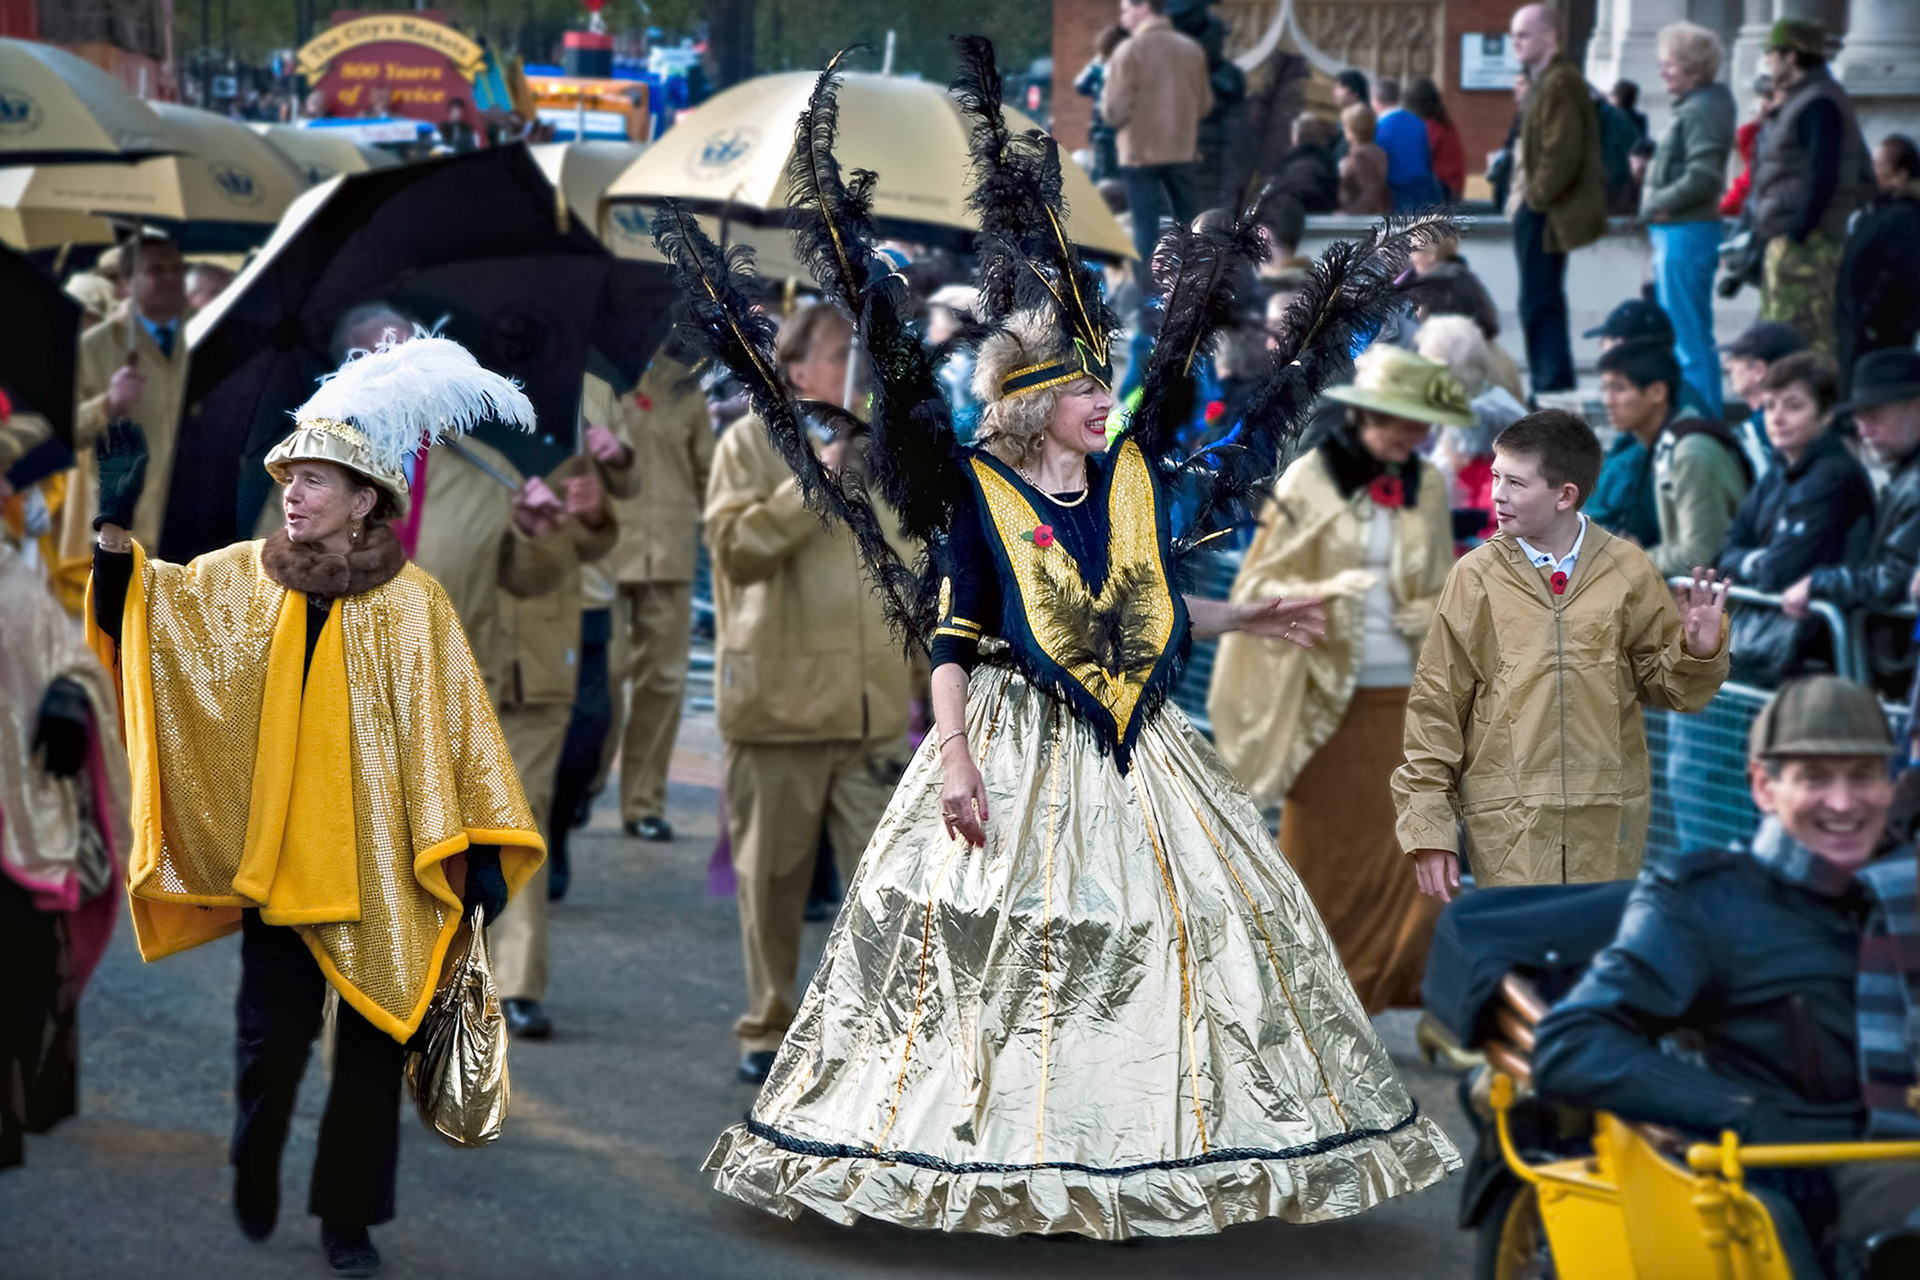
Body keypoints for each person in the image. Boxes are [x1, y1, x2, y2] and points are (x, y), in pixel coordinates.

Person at [677, 44, 1460, 1236]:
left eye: (1110, 388)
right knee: (1004, 944)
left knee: (1186, 923)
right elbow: (955, 634)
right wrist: (951, 759)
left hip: (1137, 741)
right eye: (1094, 390)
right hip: (1003, 732)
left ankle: (1145, 1143)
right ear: (1040, 399)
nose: (1113, 400)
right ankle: (984, 1148)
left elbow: (1139, 604)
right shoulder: (983, 493)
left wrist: (1246, 611)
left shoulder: (1128, 483)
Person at [84, 338, 545, 1276]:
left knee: (371, 1065)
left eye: (318, 480)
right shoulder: (243, 573)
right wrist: (113, 528)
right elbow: (153, 615)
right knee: (270, 1049)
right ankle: (255, 1162)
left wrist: (485, 853)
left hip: (386, 875)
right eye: (290, 476)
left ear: (367, 499)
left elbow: (459, 730)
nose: (294, 493)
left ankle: (349, 1220)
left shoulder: (417, 605)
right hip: (280, 871)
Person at [1534, 676, 1920, 1266]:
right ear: (1764, 786)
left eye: (1863, 775)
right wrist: (1745, 1114)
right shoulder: (1701, 902)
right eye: (1816, 778)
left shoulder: (1907, 888)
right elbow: (1572, 1045)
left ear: (1890, 786)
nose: (1844, 802)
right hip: (1800, 1172)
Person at [1209, 347, 1466, 1013]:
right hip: (1325, 698)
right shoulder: (1308, 481)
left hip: (1405, 698)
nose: (1411, 438)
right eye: (1398, 424)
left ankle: (1406, 987)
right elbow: (1260, 583)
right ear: (1365, 415)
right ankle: (1309, 994)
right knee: (1319, 851)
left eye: (1419, 426)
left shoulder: (1429, 485)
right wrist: (1325, 593)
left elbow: (1438, 585)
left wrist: (1429, 609)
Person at [1396, 409, 1730, 901]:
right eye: (1495, 477)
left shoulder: (1627, 569)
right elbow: (1436, 708)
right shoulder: (1475, 577)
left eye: (1515, 483)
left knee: (1595, 963)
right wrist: (1429, 828)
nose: (1497, 494)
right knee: (1525, 965)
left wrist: (1697, 652)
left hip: (1607, 820)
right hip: (1508, 825)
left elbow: (1667, 687)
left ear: (1565, 495)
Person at [704, 303, 913, 1085]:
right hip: (779, 705)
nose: (854, 362)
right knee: (772, 884)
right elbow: (737, 552)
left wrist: (936, 678)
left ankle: (865, 1029)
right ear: (796, 370)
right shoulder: (748, 444)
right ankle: (768, 1023)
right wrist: (814, 480)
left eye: (860, 348)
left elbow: (912, 571)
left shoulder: (889, 450)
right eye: (836, 352)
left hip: (873, 712)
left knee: (879, 885)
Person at [0, 527, 129, 1170]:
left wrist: (68, 704)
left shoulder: (11, 582)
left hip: (14, 824)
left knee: (23, 962)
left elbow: (75, 666)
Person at [605, 344, 715, 844]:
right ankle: (582, 783)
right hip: (598, 556)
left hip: (667, 555)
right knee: (599, 682)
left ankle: (643, 802)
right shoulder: (595, 379)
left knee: (662, 684)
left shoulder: (683, 387)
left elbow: (708, 475)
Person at [1716, 352, 1874, 680]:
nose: (1777, 418)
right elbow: (1726, 552)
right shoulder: (1778, 471)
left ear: (1826, 415)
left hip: (1816, 656)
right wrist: (1757, 561)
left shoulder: (1833, 474)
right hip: (1769, 643)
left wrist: (1752, 563)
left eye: (1793, 406)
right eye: (1771, 406)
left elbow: (1780, 569)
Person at [53, 232, 190, 596]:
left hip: (190, 527)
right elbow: (63, 430)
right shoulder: (97, 345)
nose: (168, 277)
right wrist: (107, 405)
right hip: (120, 527)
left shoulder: (205, 339)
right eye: (154, 270)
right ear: (127, 282)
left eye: (175, 269)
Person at [1781, 349, 1920, 679]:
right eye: (1858, 417)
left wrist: (1821, 582)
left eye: (1874, 414)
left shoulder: (1913, 481)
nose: (1863, 428)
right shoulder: (1904, 474)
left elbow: (1893, 579)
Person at [1751, 18, 1874, 358]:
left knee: (1803, 348)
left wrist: (1798, 231)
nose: (1767, 62)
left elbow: (1824, 175)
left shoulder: (1818, 103)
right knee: (1780, 343)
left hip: (1808, 244)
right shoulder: (1805, 99)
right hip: (1794, 238)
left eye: (1771, 54)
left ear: (1790, 56)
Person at [1509, 3, 1607, 395]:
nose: (1515, 43)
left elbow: (1561, 152)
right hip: (1539, 210)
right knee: (1537, 300)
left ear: (1549, 36)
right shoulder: (1548, 81)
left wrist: (1533, 200)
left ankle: (1551, 386)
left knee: (1540, 302)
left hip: (1544, 213)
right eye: (1514, 35)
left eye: (1524, 34)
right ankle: (1548, 384)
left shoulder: (1559, 82)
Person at [1641, 22, 1735, 420]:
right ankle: (1699, 419)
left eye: (1670, 64)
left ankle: (1704, 422)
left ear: (1694, 69)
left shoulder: (1700, 109)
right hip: (1682, 231)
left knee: (1688, 340)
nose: (1662, 71)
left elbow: (1705, 176)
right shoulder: (1701, 104)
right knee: (1688, 335)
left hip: (1685, 231)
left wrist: (1657, 203)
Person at [1599, 339, 1750, 576]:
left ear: (1657, 392)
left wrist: (1632, 558)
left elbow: (1700, 556)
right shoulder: (1666, 443)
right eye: (1605, 389)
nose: (1607, 401)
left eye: (1619, 388)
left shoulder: (1690, 454)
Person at [1100, 0, 1214, 274]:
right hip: (1182, 149)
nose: (1123, 16)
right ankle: (1191, 286)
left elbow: (1113, 111)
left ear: (1144, 9)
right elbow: (1205, 104)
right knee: (1188, 228)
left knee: (1145, 229)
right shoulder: (1191, 50)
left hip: (1140, 153)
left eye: (1127, 9)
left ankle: (1145, 294)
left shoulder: (1128, 51)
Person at [1838, 135, 1920, 391]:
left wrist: (1870, 319)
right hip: (1863, 328)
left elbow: (1900, 276)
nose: (1870, 172)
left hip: (1880, 334)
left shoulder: (1902, 216)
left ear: (1899, 175)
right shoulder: (1877, 211)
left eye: (1878, 165)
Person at [1720, 319, 1804, 483]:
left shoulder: (1754, 434)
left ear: (1758, 370)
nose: (1729, 366)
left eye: (1735, 359)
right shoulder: (1806, 426)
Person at [1370, 77, 1441, 211]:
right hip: (1425, 194)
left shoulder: (1379, 128)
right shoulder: (1418, 123)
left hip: (1395, 197)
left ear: (1376, 100)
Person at [1073, 24, 1129, 182]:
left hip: (1102, 121)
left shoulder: (1098, 66)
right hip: (1125, 121)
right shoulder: (1130, 64)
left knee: (1102, 166)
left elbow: (1080, 86)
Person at [1406, 77, 1466, 202]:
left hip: (1441, 187)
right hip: (1452, 186)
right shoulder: (1445, 124)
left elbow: (1421, 159)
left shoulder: (1430, 127)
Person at [1273, 114, 1340, 213]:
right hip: (1321, 214)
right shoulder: (1328, 160)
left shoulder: (1284, 161)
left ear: (1295, 137)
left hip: (1289, 214)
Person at [1338, 102, 1390, 216]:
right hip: (1379, 216)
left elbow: (1370, 192)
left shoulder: (1358, 157)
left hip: (1360, 222)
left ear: (1352, 129)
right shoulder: (1379, 152)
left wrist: (1349, 214)